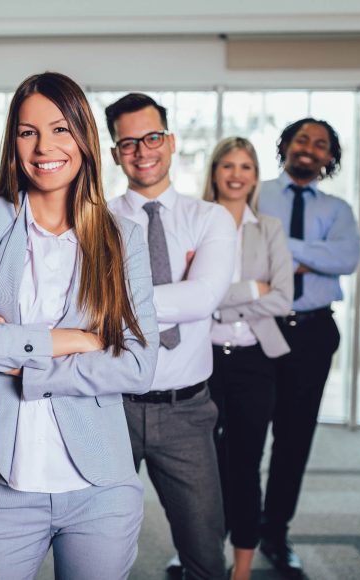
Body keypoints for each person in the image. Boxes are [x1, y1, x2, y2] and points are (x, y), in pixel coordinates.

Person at [0, 72, 159, 580]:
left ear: (83, 137)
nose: (44, 147)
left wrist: (25, 365)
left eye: (60, 129)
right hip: (0, 481)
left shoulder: (123, 237)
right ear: (13, 143)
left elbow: (139, 365)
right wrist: (75, 341)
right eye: (27, 131)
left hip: (100, 484)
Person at [106, 93, 234, 580]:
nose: (143, 150)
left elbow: (202, 299)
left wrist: (118, 300)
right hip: (108, 406)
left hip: (186, 412)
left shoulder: (209, 219)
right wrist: (173, 290)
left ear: (171, 141)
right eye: (129, 142)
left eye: (152, 137)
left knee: (205, 553)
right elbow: (83, 307)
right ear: (117, 152)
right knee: (93, 551)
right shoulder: (97, 221)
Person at [257, 118, 360, 576]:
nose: (310, 148)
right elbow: (244, 255)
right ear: (286, 146)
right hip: (255, 328)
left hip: (313, 333)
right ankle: (216, 531)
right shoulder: (255, 192)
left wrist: (282, 247)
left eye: (321, 144)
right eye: (303, 139)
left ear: (329, 158)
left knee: (294, 439)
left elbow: (347, 258)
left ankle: (275, 532)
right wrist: (309, 254)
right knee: (239, 436)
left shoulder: (338, 209)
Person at [202, 137, 293, 580]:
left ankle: (241, 569)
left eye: (246, 167)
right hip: (203, 360)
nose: (236, 174)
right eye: (228, 166)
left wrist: (220, 301)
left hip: (256, 360)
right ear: (214, 172)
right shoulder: (196, 221)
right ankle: (200, 554)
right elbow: (188, 295)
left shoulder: (268, 227)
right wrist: (245, 292)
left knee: (245, 462)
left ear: (255, 176)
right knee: (204, 467)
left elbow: (282, 299)